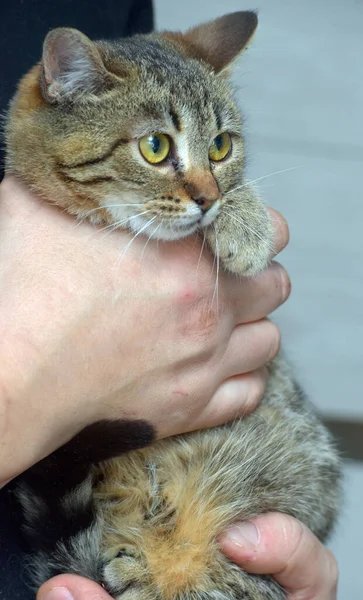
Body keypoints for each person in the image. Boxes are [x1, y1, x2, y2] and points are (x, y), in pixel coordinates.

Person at [0, 2, 338, 599]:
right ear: (62, 97)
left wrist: (235, 205)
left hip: (218, 510)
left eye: (219, 149)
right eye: (158, 149)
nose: (204, 191)